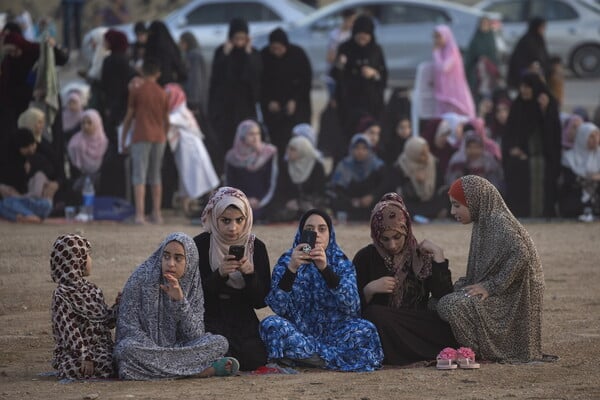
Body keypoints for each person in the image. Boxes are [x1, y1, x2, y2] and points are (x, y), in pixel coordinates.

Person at [260, 209, 384, 371]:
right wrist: (291, 269)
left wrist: (325, 269)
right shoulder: (287, 260)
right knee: (270, 324)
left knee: (366, 329)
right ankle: (325, 359)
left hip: (335, 335)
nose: (316, 234)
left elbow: (353, 307)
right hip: (299, 333)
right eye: (309, 230)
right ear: (301, 232)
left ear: (329, 234)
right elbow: (277, 307)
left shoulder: (341, 262)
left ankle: (306, 358)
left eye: (322, 229)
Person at [437, 175, 545, 362]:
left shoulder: (497, 221)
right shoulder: (485, 219)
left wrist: (492, 286)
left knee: (450, 305)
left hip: (513, 296)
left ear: (474, 201)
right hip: (504, 292)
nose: (452, 211)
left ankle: (480, 352)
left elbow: (522, 254)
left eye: (457, 205)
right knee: (440, 300)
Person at [114, 232, 238, 380]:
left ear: (189, 261)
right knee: (126, 350)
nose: (170, 263)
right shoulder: (140, 279)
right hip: (145, 348)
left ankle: (156, 371)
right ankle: (197, 371)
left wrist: (180, 301)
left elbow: (195, 335)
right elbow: (128, 328)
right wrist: (156, 350)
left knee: (219, 343)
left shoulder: (193, 285)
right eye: (166, 256)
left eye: (178, 258)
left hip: (177, 348)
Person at [354, 193, 457, 365]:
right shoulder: (366, 257)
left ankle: (403, 352)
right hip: (384, 325)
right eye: (384, 239)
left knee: (444, 323)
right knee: (375, 315)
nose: (392, 245)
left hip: (415, 324)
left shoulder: (420, 255)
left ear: (406, 230)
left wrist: (439, 258)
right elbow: (350, 306)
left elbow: (444, 295)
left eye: (397, 237)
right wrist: (369, 290)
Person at [193, 187, 271, 371]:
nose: (233, 228)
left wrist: (250, 275)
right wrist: (219, 275)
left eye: (239, 220)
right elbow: (194, 296)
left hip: (242, 317)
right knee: (211, 346)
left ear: (247, 219)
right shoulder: (201, 245)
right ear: (214, 218)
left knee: (255, 358)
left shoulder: (256, 248)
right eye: (225, 220)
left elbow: (261, 301)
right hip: (209, 316)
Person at [50, 234, 118, 379]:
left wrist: (119, 306)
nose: (90, 260)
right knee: (71, 367)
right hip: (76, 353)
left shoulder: (93, 291)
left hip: (102, 350)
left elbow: (107, 321)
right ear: (75, 261)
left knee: (116, 360)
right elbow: (69, 330)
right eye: (87, 255)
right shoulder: (61, 295)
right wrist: (84, 355)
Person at [502, 72, 562, 218]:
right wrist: (514, 149)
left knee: (546, 172)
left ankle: (543, 213)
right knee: (518, 169)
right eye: (522, 87)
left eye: (528, 87)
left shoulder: (549, 106)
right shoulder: (518, 106)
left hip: (544, 157)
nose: (524, 90)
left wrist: (545, 111)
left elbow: (553, 136)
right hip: (521, 157)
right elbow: (509, 135)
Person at [120, 59, 169, 224]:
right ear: (158, 74)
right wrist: (165, 134)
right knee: (156, 176)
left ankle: (140, 214)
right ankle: (157, 213)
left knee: (139, 176)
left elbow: (129, 116)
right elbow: (166, 119)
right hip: (159, 136)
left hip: (141, 135)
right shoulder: (163, 92)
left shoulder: (137, 91)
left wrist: (123, 137)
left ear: (142, 72)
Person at [165, 83, 219, 216]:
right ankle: (185, 208)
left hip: (191, 150)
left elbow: (167, 120)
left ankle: (212, 207)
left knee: (200, 177)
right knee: (188, 178)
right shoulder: (178, 110)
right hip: (186, 150)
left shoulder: (179, 111)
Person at [209, 18, 262, 150]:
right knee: (226, 138)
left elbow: (256, 74)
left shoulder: (253, 53)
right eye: (236, 38)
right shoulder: (221, 51)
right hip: (226, 105)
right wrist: (226, 55)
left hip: (245, 104)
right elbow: (217, 76)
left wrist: (249, 54)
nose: (239, 42)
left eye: (242, 38)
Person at [259, 28, 312, 155]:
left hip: (297, 108)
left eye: (279, 48)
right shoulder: (264, 56)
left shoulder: (297, 54)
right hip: (274, 111)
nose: (276, 52)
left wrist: (295, 100)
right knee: (277, 143)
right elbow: (260, 84)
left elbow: (306, 80)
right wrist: (268, 101)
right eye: (273, 48)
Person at [335, 15, 387, 139]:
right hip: (350, 102)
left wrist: (374, 73)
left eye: (366, 35)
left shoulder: (376, 50)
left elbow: (383, 74)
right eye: (360, 35)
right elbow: (336, 75)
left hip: (372, 102)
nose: (363, 38)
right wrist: (340, 65)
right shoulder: (345, 48)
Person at [224, 120, 278, 220]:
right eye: (251, 134)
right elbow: (229, 184)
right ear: (242, 136)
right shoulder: (232, 157)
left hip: (262, 201)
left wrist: (260, 201)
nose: (255, 137)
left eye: (258, 133)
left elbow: (272, 183)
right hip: (239, 201)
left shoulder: (268, 153)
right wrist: (243, 200)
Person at [0, 129, 56, 223]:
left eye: (32, 145)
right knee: (5, 203)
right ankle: (29, 216)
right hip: (18, 202)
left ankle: (23, 216)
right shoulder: (8, 161)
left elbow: (51, 178)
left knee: (47, 204)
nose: (31, 149)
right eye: (26, 146)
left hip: (36, 203)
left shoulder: (39, 158)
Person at [388, 136, 448, 220]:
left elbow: (440, 185)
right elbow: (397, 191)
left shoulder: (433, 163)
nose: (426, 157)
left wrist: (426, 182)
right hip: (412, 203)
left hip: (431, 202)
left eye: (427, 152)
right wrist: (415, 182)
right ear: (413, 153)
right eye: (422, 154)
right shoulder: (400, 166)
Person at [329, 133, 386, 221]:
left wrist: (372, 196)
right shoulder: (344, 165)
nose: (360, 151)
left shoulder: (377, 166)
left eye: (364, 148)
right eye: (357, 148)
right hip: (350, 204)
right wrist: (351, 201)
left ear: (369, 149)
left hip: (371, 205)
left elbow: (383, 186)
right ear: (351, 149)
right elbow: (337, 189)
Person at [275, 135, 327, 221]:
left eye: (293, 149)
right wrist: (287, 201)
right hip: (291, 205)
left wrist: (301, 203)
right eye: (288, 148)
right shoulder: (285, 166)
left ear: (303, 150)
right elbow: (280, 189)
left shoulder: (316, 166)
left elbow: (320, 191)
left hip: (311, 203)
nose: (288, 152)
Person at [432, 25, 475, 118]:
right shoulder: (441, 51)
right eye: (435, 37)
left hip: (454, 91)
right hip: (444, 90)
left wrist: (436, 53)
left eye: (439, 37)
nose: (436, 40)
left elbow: (444, 68)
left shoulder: (452, 51)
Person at [559, 122, 600, 220]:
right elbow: (569, 181)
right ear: (582, 137)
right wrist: (593, 177)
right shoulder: (569, 158)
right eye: (591, 136)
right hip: (575, 202)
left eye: (597, 136)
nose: (595, 140)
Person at [67, 109, 108, 191]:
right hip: (79, 189)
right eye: (83, 123)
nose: (86, 126)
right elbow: (73, 171)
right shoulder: (74, 144)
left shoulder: (104, 143)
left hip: (102, 190)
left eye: (89, 123)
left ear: (97, 124)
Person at [464, 17, 501, 105]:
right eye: (482, 24)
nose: (484, 26)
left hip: (489, 74)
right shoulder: (476, 38)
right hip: (476, 73)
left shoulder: (490, 38)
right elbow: (470, 56)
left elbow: (494, 55)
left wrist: (488, 61)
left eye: (486, 24)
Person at [507, 17, 550, 89]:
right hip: (522, 70)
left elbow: (544, 56)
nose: (544, 30)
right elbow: (518, 61)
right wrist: (531, 66)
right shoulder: (526, 40)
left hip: (537, 68)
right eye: (542, 27)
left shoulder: (539, 39)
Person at [144, 20, 187, 86]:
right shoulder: (171, 47)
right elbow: (179, 67)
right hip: (170, 85)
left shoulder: (150, 47)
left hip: (153, 85)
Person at [179, 31, 208, 117]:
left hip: (196, 99)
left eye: (182, 42)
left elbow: (195, 80)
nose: (180, 45)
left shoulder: (193, 56)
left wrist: (193, 101)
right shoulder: (191, 55)